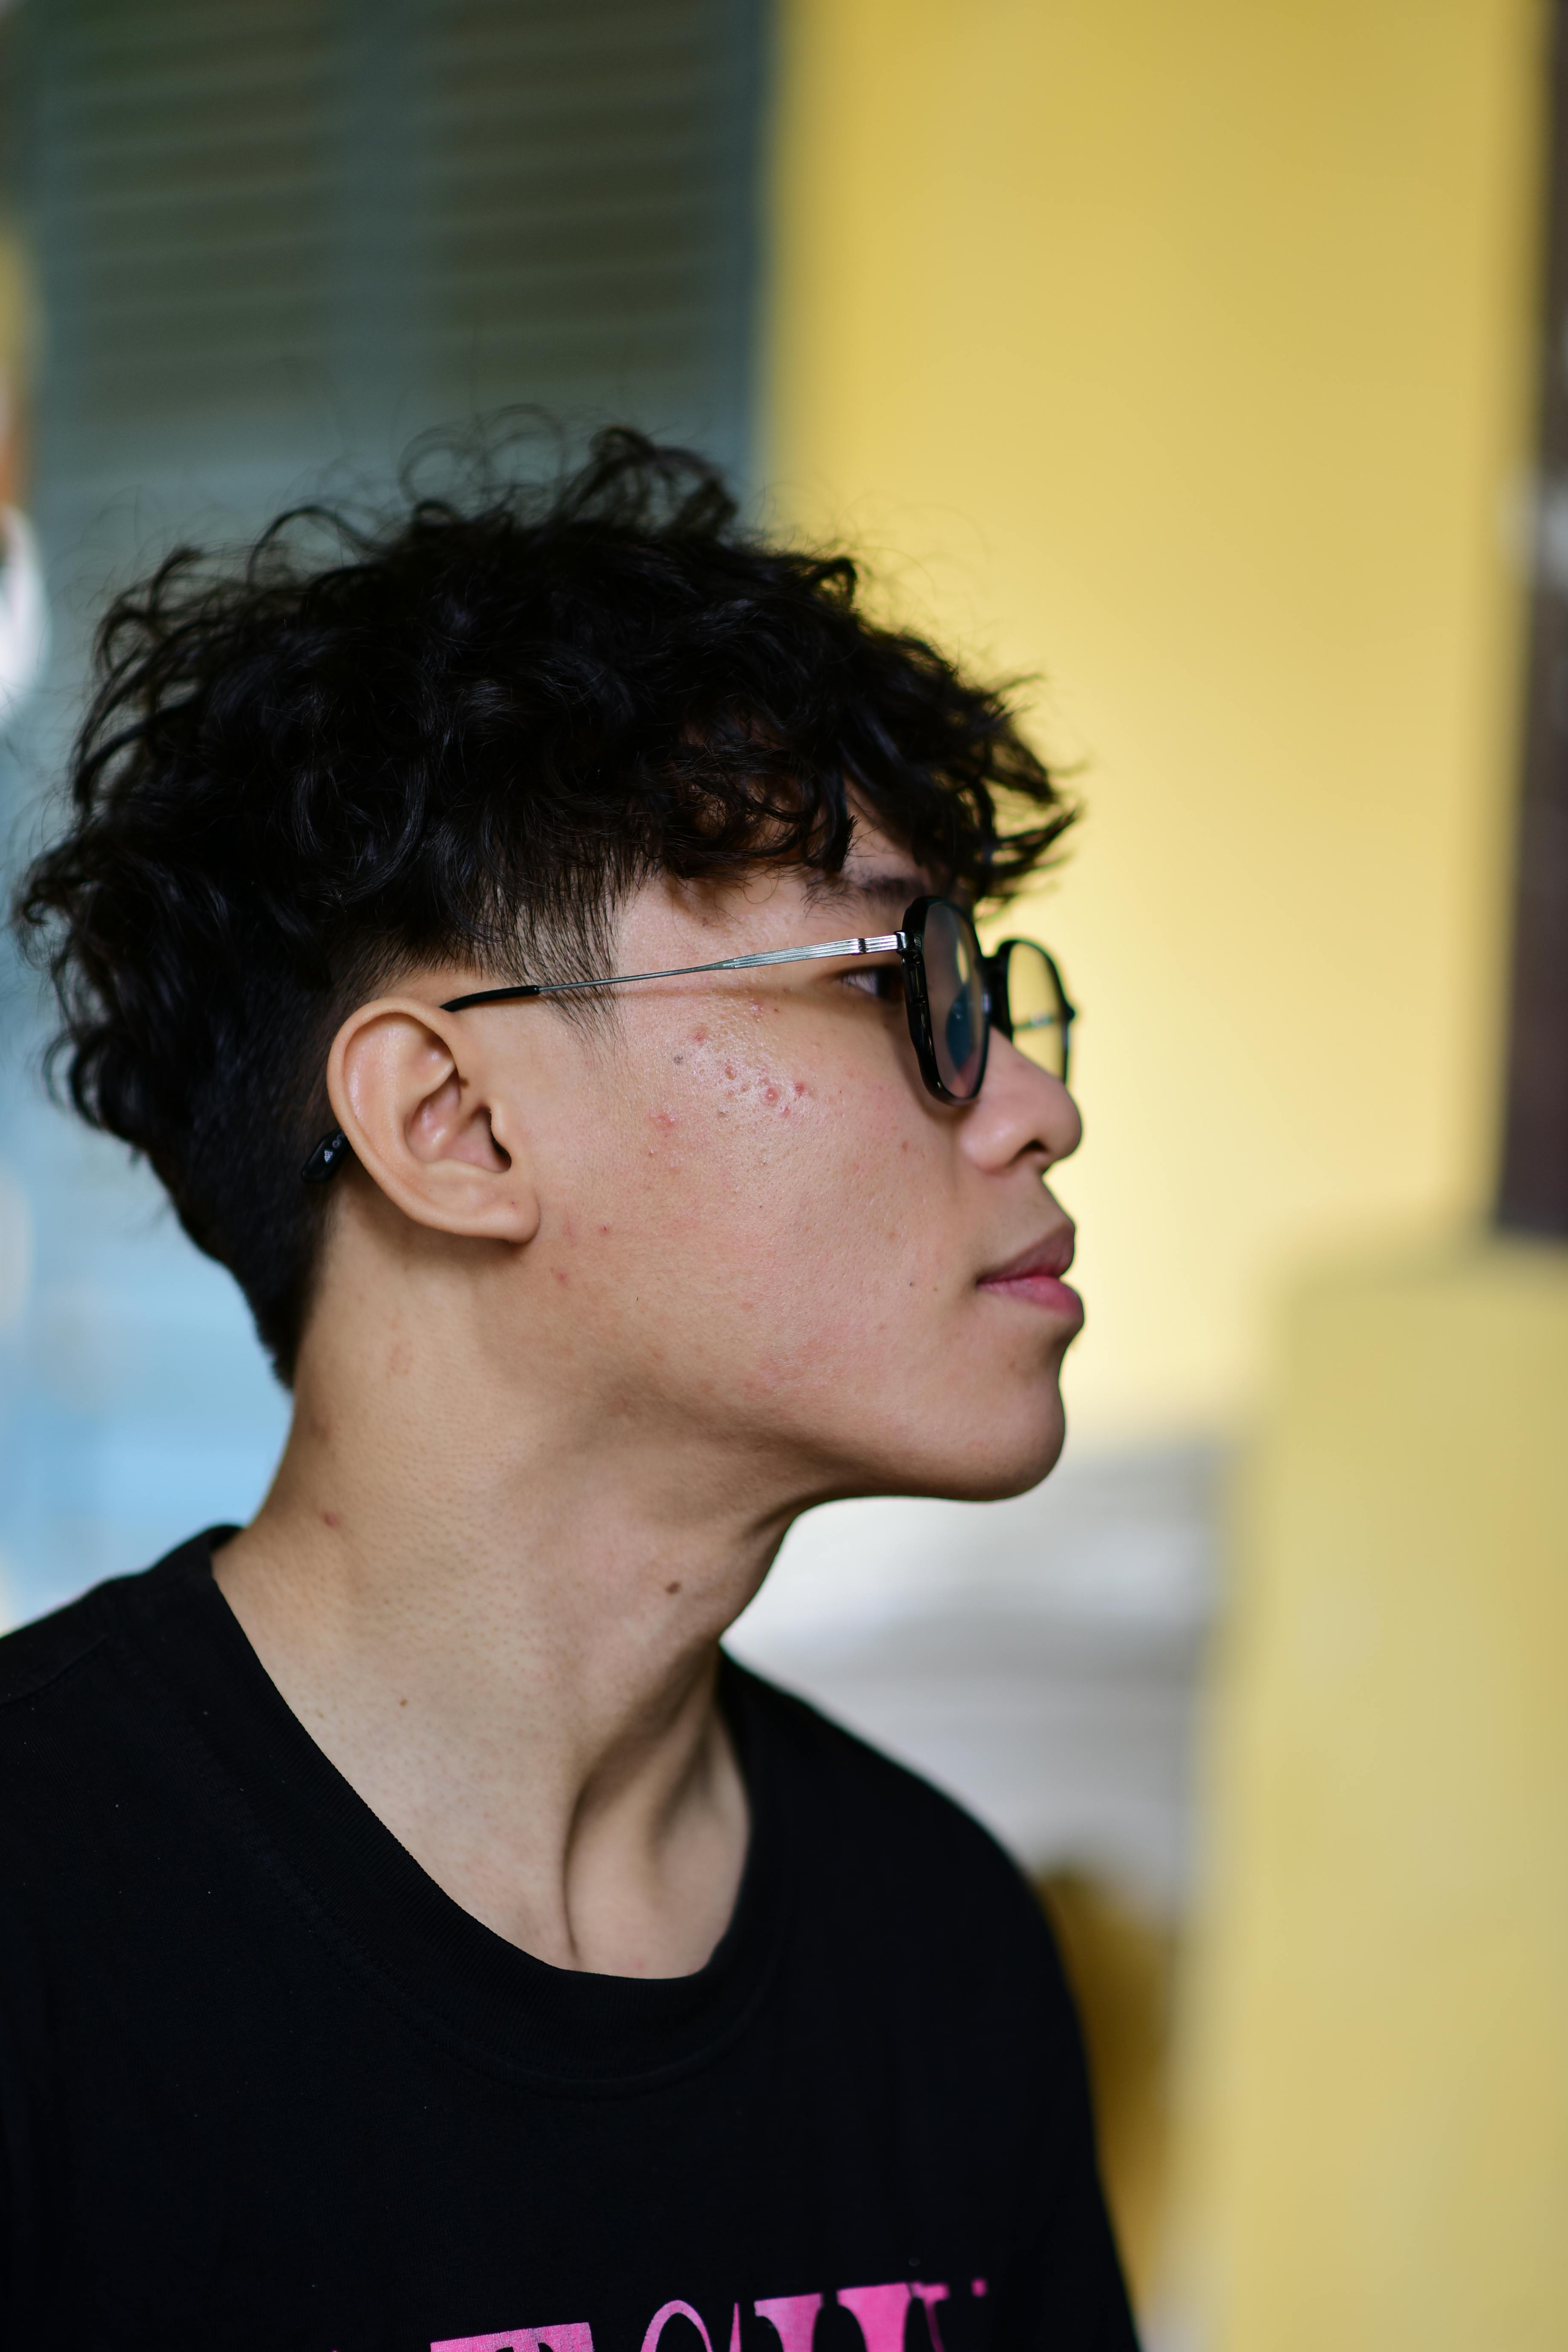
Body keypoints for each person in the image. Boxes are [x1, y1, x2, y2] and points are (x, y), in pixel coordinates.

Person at [1, 429, 1136, 2349]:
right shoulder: (42, 1940)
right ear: (454, 1121)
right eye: (896, 981)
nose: (1037, 1105)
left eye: (995, 994)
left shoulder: (939, 1951)